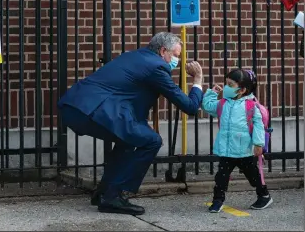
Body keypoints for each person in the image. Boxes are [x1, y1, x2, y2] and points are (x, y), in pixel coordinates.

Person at [58, 32, 204, 215]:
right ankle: (115, 195)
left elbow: (129, 96)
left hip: (75, 107)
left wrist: (140, 124)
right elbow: (190, 107)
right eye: (175, 55)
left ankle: (104, 193)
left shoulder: (136, 56)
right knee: (152, 141)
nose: (177, 60)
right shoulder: (157, 67)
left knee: (128, 141)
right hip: (94, 110)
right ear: (162, 51)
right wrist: (197, 81)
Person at [202, 68, 273, 213]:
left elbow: (259, 125)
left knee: (253, 176)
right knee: (221, 177)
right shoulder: (222, 103)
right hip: (227, 150)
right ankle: (218, 200)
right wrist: (212, 93)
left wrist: (259, 144)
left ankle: (264, 195)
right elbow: (207, 106)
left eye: (230, 85)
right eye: (226, 83)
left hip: (244, 150)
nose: (226, 87)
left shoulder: (250, 106)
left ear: (241, 90)